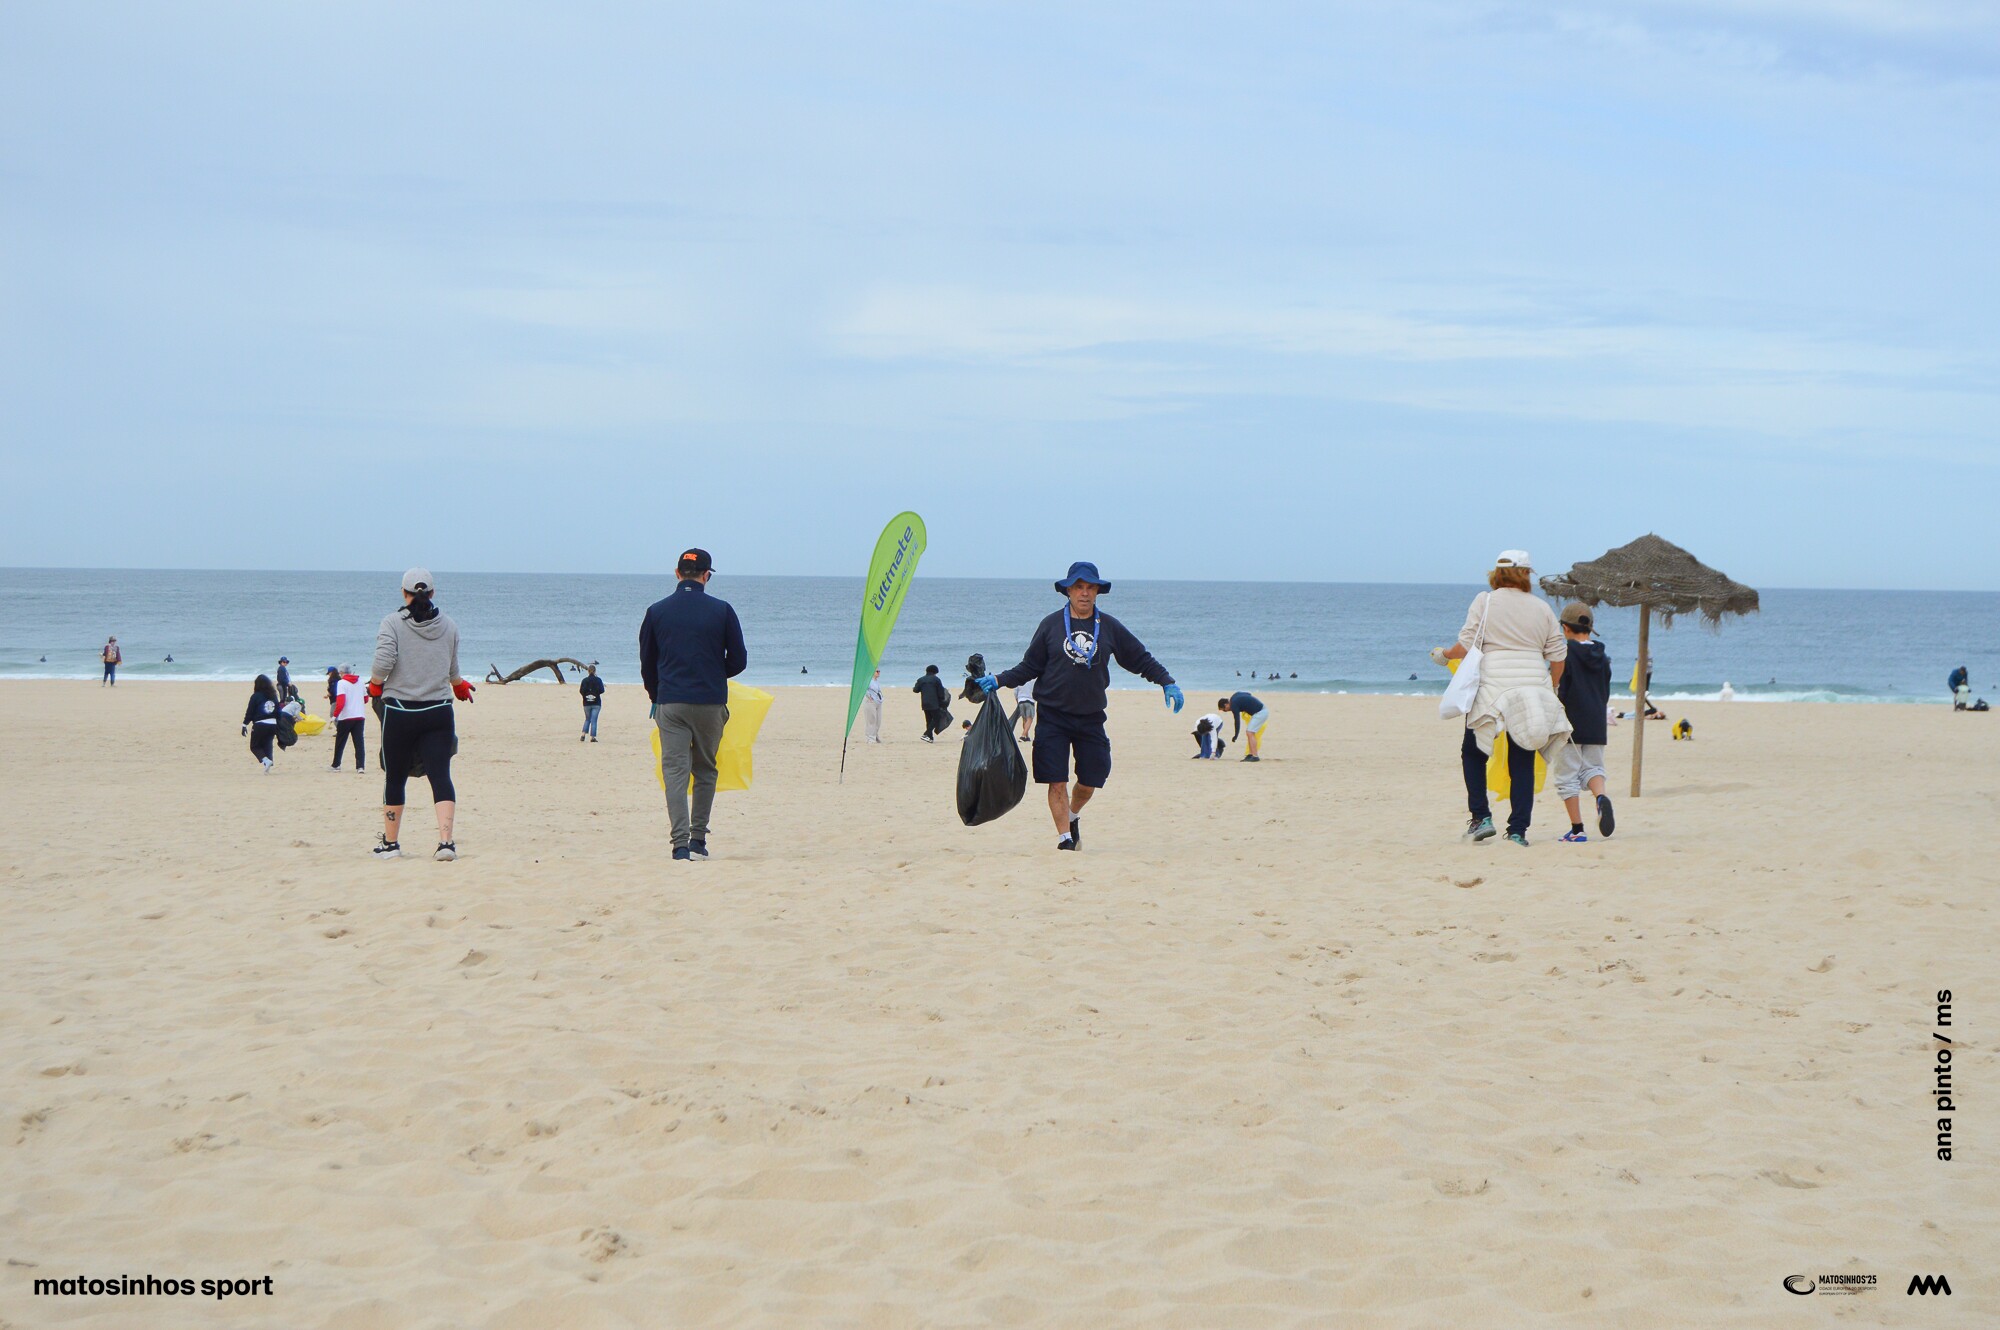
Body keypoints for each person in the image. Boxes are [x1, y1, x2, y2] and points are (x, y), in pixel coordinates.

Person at [975, 561, 1183, 851]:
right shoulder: (1050, 625)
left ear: (1097, 591)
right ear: (1068, 590)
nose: (1084, 593)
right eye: (1078, 587)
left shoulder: (1109, 627)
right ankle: (1065, 840)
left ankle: (1072, 816)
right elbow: (1029, 666)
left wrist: (1166, 681)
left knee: (1090, 781)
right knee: (1056, 781)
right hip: (1053, 717)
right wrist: (999, 679)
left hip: (1091, 718)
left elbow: (1140, 659)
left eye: (1090, 587)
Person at [1434, 550, 1570, 847]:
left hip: (1493, 686)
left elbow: (1466, 645)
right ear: (1526, 574)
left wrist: (1444, 655)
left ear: (1497, 573)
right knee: (1522, 757)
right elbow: (1558, 655)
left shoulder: (1485, 601)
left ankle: (1481, 817)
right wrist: (1552, 686)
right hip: (1532, 686)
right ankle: (1518, 831)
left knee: (1473, 752)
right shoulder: (1542, 608)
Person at [639, 548, 747, 862]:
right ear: (706, 575)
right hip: (710, 701)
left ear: (676, 574)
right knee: (705, 769)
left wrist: (656, 695)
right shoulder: (722, 610)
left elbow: (647, 663)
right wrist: (713, 674)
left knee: (674, 772)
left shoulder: (656, 611)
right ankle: (698, 838)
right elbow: (739, 660)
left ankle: (679, 845)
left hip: (671, 700)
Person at [368, 567, 474, 862]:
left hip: (400, 712)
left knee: (395, 777)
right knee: (441, 776)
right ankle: (446, 843)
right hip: (439, 712)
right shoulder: (449, 625)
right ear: (432, 593)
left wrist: (376, 686)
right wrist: (460, 688)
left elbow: (383, 662)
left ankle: (391, 845)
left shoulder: (392, 623)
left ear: (404, 594)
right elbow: (453, 671)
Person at [1551, 603, 1614, 843]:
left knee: (1566, 776)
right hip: (1597, 721)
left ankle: (1577, 829)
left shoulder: (1564, 654)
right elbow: (1605, 692)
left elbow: (1557, 687)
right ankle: (1600, 797)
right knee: (1593, 768)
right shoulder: (1603, 657)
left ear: (1565, 628)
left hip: (1570, 722)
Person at [330, 664, 368, 772]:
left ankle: (336, 765)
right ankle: (360, 766)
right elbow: (365, 699)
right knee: (359, 742)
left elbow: (341, 702)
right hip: (359, 716)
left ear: (341, 673)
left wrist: (335, 715)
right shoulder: (360, 681)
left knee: (340, 742)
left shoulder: (341, 683)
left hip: (346, 717)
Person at [241, 673, 281, 772]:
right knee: (268, 744)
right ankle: (268, 767)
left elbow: (250, 712)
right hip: (273, 724)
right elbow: (278, 711)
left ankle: (266, 761)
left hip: (260, 724)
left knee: (254, 746)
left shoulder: (255, 696)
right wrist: (279, 724)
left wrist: (244, 724)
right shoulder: (273, 696)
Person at [1218, 691, 1269, 761]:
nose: (1226, 711)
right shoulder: (1234, 696)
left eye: (1224, 710)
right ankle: (1250, 754)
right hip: (1260, 710)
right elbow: (1248, 694)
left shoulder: (1234, 705)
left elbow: (1237, 721)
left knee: (1250, 732)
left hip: (1260, 713)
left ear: (1226, 704)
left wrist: (1236, 735)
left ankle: (1255, 756)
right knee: (1249, 732)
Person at [913, 665, 952, 742]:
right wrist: (942, 702)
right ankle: (926, 734)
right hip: (934, 703)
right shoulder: (936, 680)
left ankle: (930, 738)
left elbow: (915, 690)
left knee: (929, 720)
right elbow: (940, 692)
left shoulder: (921, 679)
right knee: (937, 718)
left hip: (924, 703)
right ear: (935, 672)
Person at [579, 662, 605, 742]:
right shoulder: (598, 680)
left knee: (587, 719)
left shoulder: (584, 680)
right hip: (596, 702)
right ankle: (592, 737)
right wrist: (595, 693)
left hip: (586, 703)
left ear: (588, 671)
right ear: (595, 671)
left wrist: (586, 696)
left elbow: (581, 691)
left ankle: (583, 734)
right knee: (594, 720)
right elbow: (602, 690)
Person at [861, 669, 885, 743]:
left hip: (878, 702)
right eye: (877, 671)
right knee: (871, 720)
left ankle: (875, 735)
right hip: (870, 702)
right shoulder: (868, 680)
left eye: (879, 671)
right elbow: (864, 688)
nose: (878, 673)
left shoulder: (876, 681)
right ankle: (870, 738)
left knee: (878, 720)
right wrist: (869, 696)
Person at [1013, 677, 1037, 741]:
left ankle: (1027, 736)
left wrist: (1017, 700)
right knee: (1030, 719)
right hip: (1029, 700)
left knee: (1024, 719)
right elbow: (1036, 689)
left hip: (1021, 700)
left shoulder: (1019, 679)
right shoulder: (1033, 680)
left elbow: (1015, 692)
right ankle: (1023, 736)